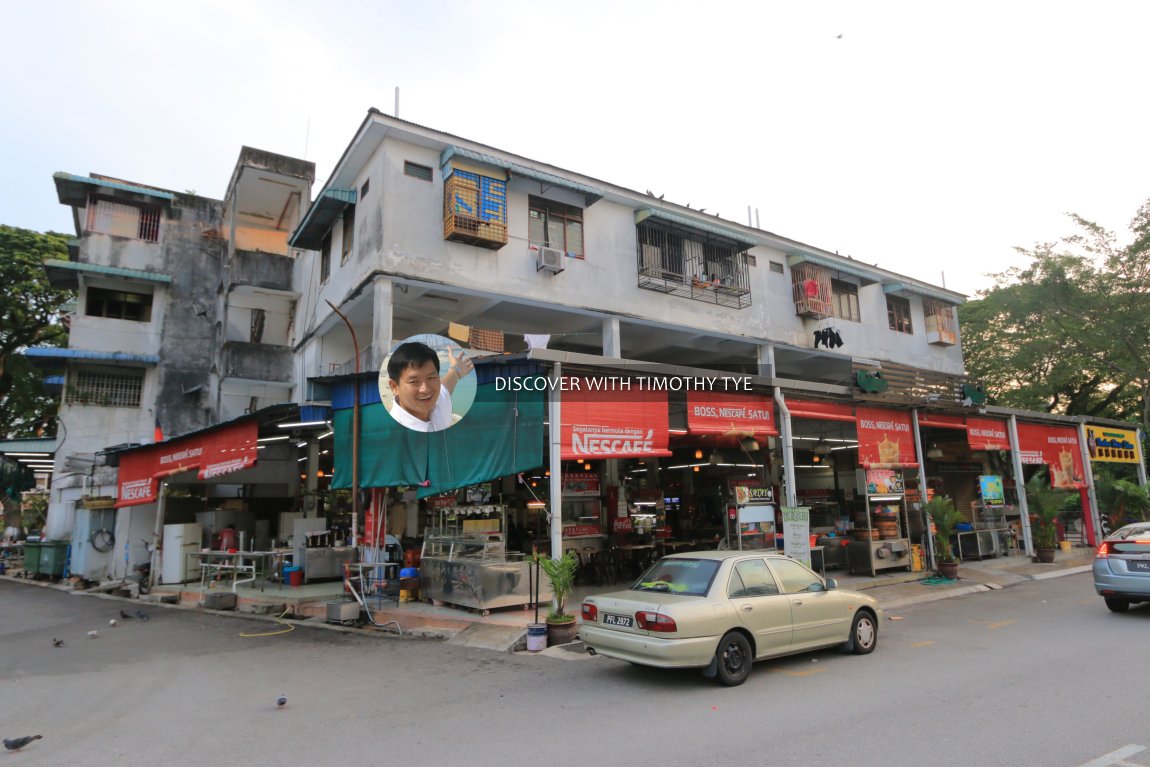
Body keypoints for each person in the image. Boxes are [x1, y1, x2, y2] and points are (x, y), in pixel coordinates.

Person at [385, 341, 473, 432]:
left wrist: (456, 370)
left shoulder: (437, 402)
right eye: (414, 381)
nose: (425, 389)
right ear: (394, 387)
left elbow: (447, 384)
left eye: (431, 378)